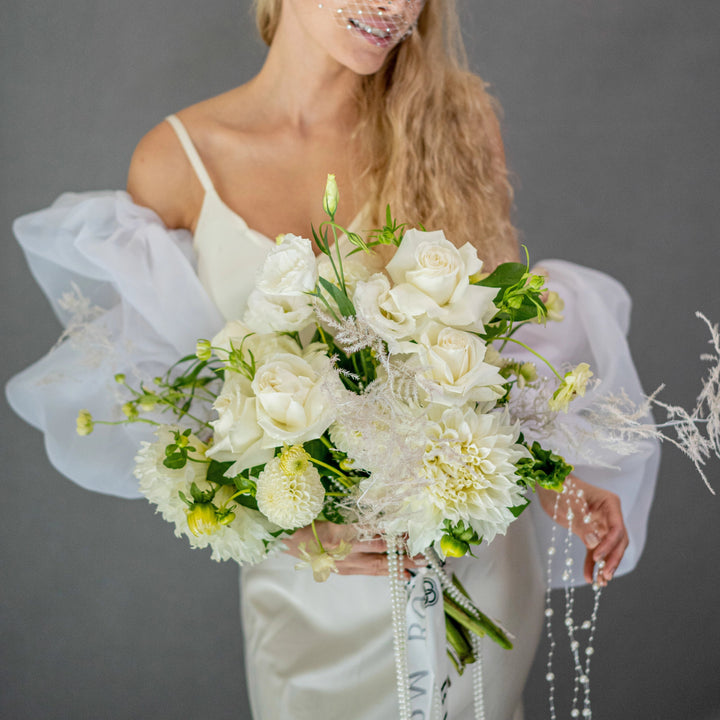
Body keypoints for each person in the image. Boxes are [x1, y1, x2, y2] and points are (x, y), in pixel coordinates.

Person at [6, 1, 658, 718]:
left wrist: (552, 479)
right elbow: (173, 411)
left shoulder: (452, 123)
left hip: (467, 562)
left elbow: (494, 353)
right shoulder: (176, 160)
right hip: (308, 591)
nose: (394, 7)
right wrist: (288, 520)